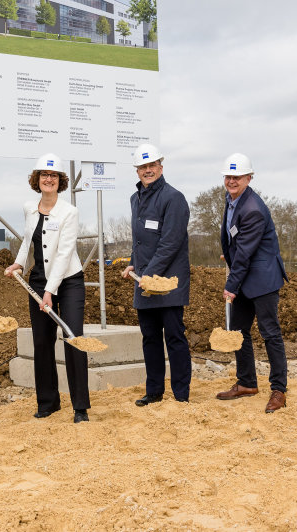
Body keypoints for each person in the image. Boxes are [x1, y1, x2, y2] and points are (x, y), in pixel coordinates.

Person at [4, 153, 90, 423]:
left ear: (61, 180)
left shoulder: (69, 212)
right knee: (42, 342)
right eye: (44, 175)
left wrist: (50, 292)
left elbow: (64, 254)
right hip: (39, 281)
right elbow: (28, 240)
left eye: (53, 175)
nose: (48, 179)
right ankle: (48, 402)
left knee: (73, 338)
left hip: (68, 282)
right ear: (37, 179)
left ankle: (80, 407)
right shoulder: (30, 207)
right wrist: (19, 264)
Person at [215, 153, 288, 413]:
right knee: (237, 331)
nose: (231, 181)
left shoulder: (253, 208)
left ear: (249, 177)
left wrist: (230, 287)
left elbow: (246, 254)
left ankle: (279, 390)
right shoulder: (232, 199)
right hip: (245, 274)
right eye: (228, 176)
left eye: (237, 177)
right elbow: (238, 241)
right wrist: (231, 255)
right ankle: (247, 383)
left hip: (262, 278)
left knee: (270, 334)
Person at [121, 143, 192, 405]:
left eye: (152, 166)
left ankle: (181, 394)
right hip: (146, 282)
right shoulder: (135, 198)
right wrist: (133, 264)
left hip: (168, 283)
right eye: (143, 167)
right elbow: (141, 241)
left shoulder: (174, 198)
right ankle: (154, 392)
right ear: (137, 170)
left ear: (161, 167)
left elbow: (170, 243)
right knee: (150, 337)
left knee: (174, 336)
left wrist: (149, 275)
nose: (147, 170)